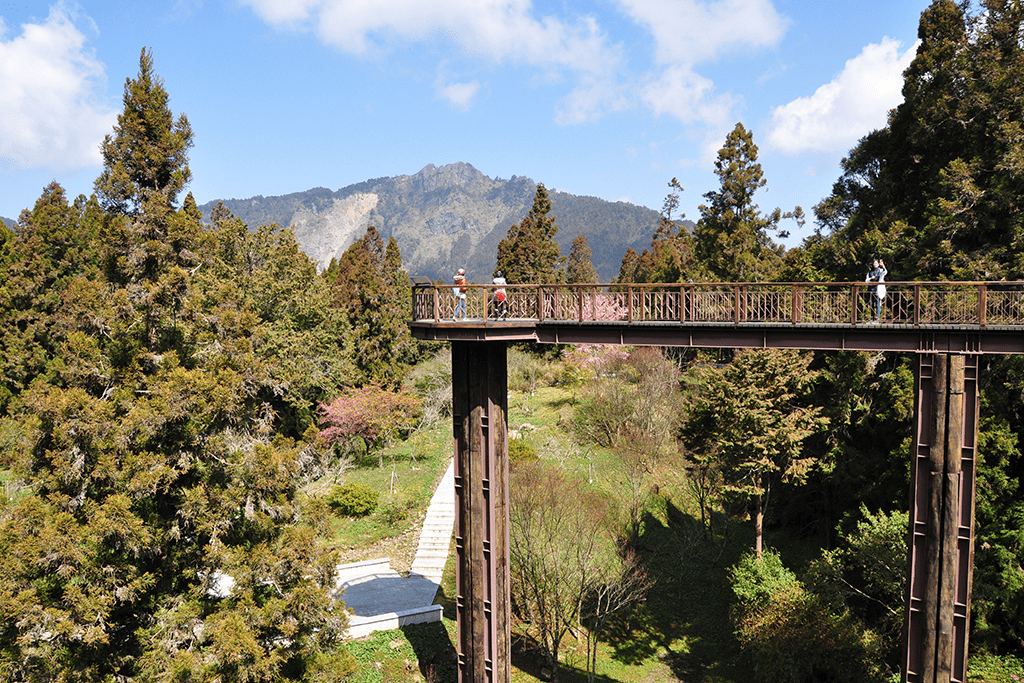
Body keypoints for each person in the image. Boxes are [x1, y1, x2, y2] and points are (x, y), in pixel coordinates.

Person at [866, 258, 887, 323]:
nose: (875, 264)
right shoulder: (870, 272)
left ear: (878, 264)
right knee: (871, 304)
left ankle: (877, 318)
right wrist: (870, 278)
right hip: (871, 289)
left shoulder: (880, 270)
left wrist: (883, 266)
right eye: (874, 263)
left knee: (878, 304)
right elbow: (866, 280)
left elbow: (885, 272)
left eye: (876, 263)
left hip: (878, 289)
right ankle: (872, 318)